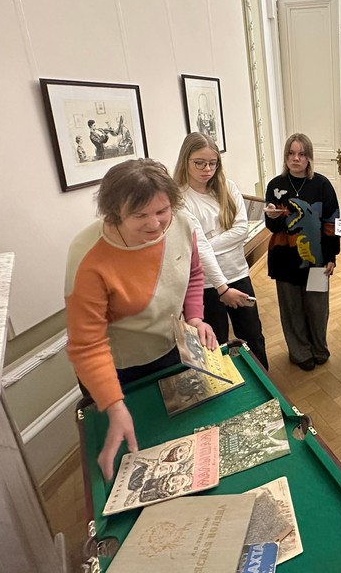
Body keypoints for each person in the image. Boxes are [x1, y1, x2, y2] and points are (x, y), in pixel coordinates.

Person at [65, 159, 217, 481]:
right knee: (139, 459)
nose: (155, 224)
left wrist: (195, 318)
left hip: (170, 350)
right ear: (113, 213)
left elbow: (193, 274)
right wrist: (114, 404)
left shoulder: (181, 223)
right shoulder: (87, 255)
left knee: (180, 446)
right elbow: (87, 345)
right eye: (140, 215)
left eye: (162, 210)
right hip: (118, 370)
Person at [173, 133, 268, 368]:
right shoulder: (180, 199)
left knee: (253, 335)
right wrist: (202, 249)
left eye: (212, 163)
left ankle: (264, 382)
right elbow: (197, 247)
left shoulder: (227, 187)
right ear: (185, 160)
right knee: (215, 343)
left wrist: (204, 245)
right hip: (205, 285)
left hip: (237, 273)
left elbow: (241, 231)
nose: (207, 169)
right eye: (199, 163)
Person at [263, 133, 340, 371]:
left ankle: (319, 348)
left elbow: (332, 222)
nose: (296, 159)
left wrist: (331, 257)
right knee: (292, 309)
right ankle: (299, 352)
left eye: (301, 154)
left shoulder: (322, 185)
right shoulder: (275, 185)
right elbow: (273, 226)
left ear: (309, 157)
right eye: (291, 153)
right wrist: (272, 217)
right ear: (285, 156)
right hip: (284, 258)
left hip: (317, 259)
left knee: (317, 308)